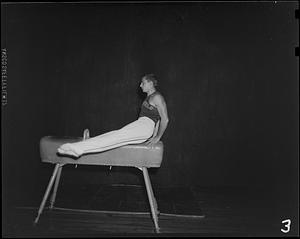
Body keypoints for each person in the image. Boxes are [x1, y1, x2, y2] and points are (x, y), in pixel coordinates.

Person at [57, 73, 169, 158]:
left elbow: (165, 119)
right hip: (142, 125)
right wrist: (154, 135)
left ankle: (79, 148)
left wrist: (157, 137)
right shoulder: (150, 97)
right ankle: (81, 147)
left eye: (143, 83)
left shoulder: (157, 97)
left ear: (150, 84)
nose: (140, 85)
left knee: (116, 136)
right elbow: (158, 118)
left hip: (144, 127)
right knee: (114, 136)